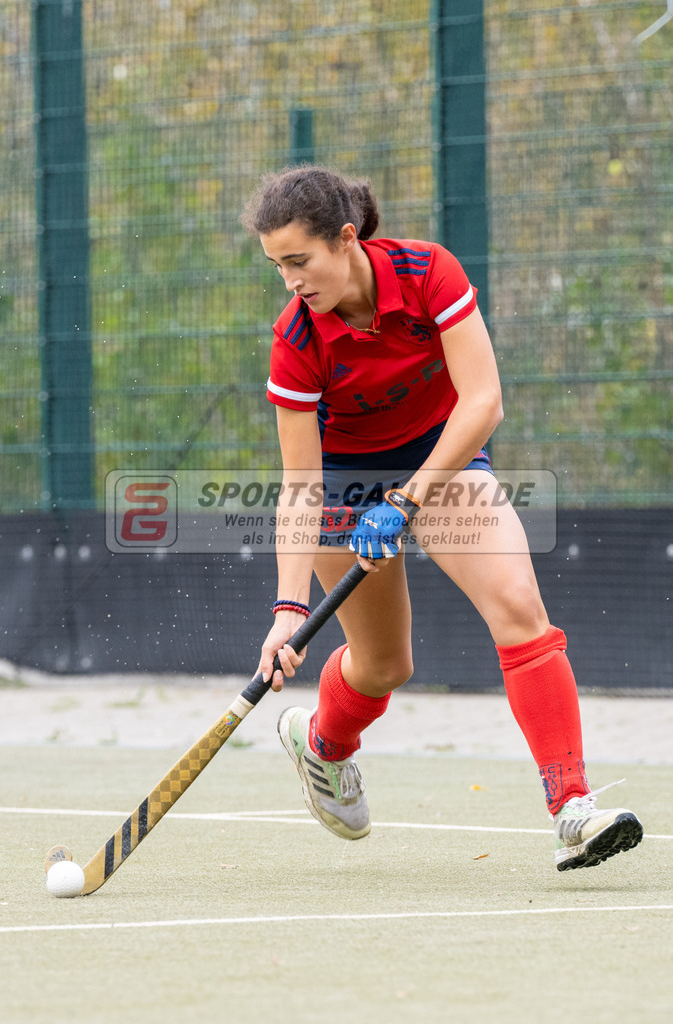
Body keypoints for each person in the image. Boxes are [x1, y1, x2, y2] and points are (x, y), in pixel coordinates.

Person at [240, 165, 643, 871]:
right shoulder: (297, 339)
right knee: (385, 664)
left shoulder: (427, 272)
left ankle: (573, 809)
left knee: (519, 605)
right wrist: (285, 610)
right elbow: (300, 483)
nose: (290, 281)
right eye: (277, 266)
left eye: (299, 261)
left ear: (344, 239)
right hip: (342, 483)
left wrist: (407, 500)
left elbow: (483, 402)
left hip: (442, 458)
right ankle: (325, 745)